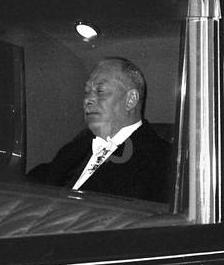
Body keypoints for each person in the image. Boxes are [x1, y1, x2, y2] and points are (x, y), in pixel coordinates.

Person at [28, 57, 170, 203]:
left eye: (100, 91)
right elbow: (35, 183)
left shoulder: (162, 161)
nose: (87, 100)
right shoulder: (74, 149)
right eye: (86, 91)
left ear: (131, 100)